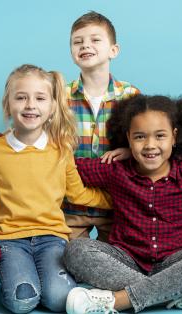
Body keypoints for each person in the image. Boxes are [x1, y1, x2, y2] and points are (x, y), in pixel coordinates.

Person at [63, 94, 182, 314]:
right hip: (126, 260)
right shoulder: (116, 169)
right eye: (139, 137)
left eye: (160, 136)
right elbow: (69, 168)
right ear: (128, 138)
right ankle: (178, 295)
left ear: (174, 137)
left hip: (176, 261)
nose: (150, 145)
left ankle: (119, 300)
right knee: (76, 249)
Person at [0, 64, 112, 313]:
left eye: (40, 98)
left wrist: (118, 200)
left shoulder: (61, 149)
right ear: (8, 105)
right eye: (21, 97)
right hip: (9, 240)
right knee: (22, 302)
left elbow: (78, 194)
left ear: (51, 107)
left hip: (52, 239)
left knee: (61, 300)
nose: (30, 105)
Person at [62, 11, 140, 242]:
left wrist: (130, 151)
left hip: (116, 205)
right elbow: (35, 131)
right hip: (70, 205)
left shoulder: (130, 95)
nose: (86, 45)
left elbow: (147, 137)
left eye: (95, 40)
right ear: (72, 52)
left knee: (116, 263)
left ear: (113, 50)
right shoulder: (60, 95)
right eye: (78, 41)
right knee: (70, 262)